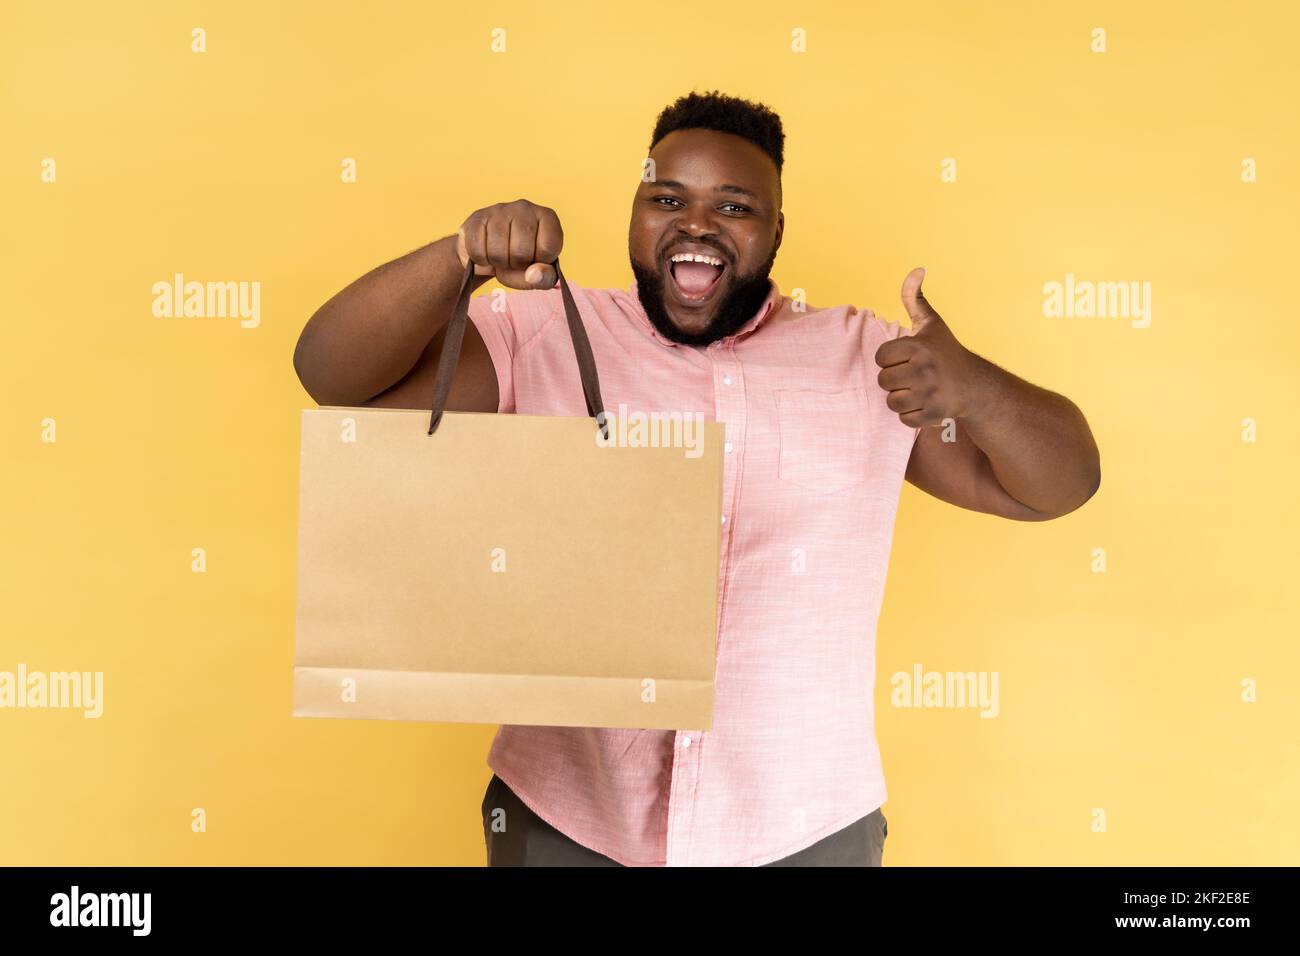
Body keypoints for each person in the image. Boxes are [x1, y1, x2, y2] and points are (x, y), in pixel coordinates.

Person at [293, 90, 1101, 867]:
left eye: (736, 207)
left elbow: (1057, 486)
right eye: (666, 199)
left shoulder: (869, 362)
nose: (697, 226)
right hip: (568, 822)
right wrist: (460, 254)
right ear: (635, 215)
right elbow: (332, 376)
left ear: (778, 229)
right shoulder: (536, 331)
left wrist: (976, 390)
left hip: (805, 828)